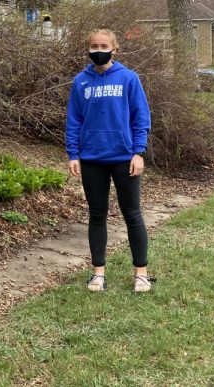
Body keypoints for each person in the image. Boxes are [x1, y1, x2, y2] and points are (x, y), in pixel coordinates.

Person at [65, 28, 152, 293]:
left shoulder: (129, 78)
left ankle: (141, 274)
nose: (98, 50)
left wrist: (138, 152)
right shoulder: (80, 81)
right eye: (94, 46)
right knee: (97, 215)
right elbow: (74, 120)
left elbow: (141, 117)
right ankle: (98, 274)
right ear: (88, 49)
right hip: (92, 158)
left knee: (132, 214)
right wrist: (73, 153)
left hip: (124, 158)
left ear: (115, 49)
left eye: (104, 46)